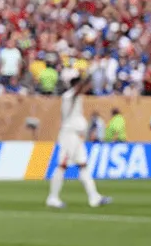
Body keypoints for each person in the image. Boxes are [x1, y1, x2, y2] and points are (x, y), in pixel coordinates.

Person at [47, 73, 112, 209]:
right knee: (62, 165)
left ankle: (94, 198)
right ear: (76, 85)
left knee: (83, 165)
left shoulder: (77, 96)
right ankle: (52, 197)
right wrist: (88, 77)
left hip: (77, 137)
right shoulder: (69, 96)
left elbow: (80, 91)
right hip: (68, 136)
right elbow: (77, 91)